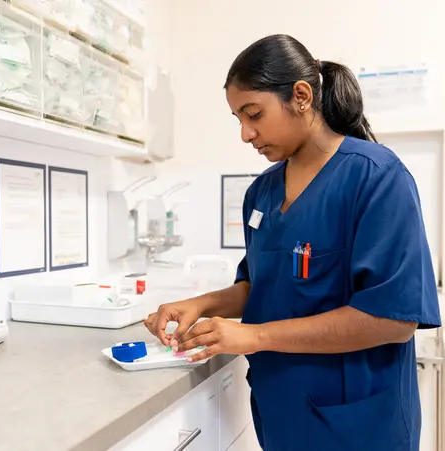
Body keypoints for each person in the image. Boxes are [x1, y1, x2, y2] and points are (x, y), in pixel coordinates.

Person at [144, 34, 441, 451]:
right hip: (283, 413)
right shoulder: (261, 194)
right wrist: (201, 305)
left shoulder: (377, 177)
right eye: (238, 119)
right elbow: (260, 287)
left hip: (357, 424)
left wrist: (255, 337)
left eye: (254, 114)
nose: (246, 133)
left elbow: (392, 320)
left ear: (301, 96)